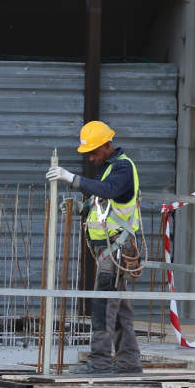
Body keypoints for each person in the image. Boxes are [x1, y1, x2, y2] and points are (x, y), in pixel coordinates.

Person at [46, 119, 143, 374]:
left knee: (102, 306)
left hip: (116, 249)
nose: (90, 158)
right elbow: (104, 201)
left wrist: (72, 178)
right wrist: (82, 208)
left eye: (93, 152)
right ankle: (129, 362)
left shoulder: (122, 169)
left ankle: (99, 363)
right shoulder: (109, 168)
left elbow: (109, 191)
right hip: (110, 249)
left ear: (108, 145)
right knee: (119, 308)